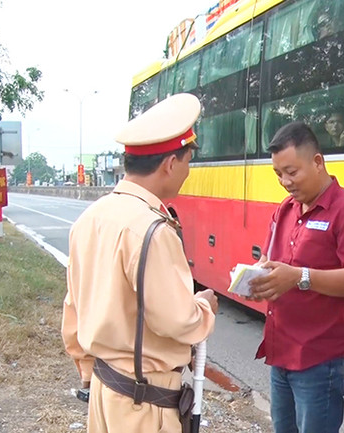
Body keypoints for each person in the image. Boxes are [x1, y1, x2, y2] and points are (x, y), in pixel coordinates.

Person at [62, 93, 218, 433]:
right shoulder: (152, 230)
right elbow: (178, 321)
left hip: (105, 392)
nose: (187, 172)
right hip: (144, 405)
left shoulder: (90, 219)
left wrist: (90, 373)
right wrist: (203, 307)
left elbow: (73, 311)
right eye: (188, 162)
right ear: (170, 164)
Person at [247, 121, 344, 433]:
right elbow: (271, 262)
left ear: (318, 162)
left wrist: (301, 277)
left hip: (321, 358)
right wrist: (257, 281)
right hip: (281, 350)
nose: (285, 181)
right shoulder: (285, 210)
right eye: (278, 174)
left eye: (292, 172)